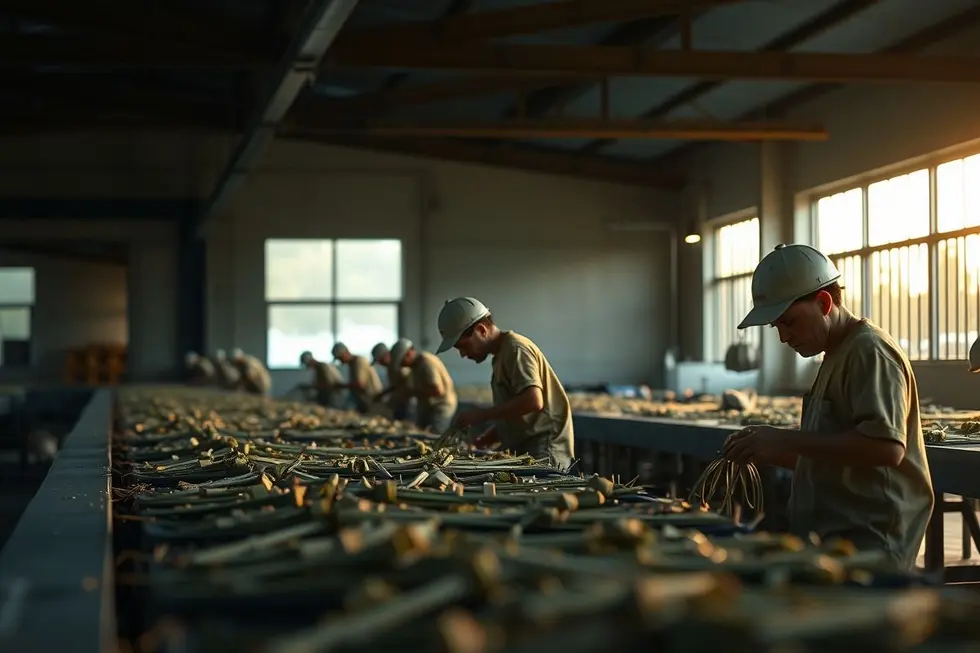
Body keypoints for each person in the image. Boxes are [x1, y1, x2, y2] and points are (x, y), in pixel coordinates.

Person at [722, 243, 933, 569]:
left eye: (789, 322)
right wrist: (765, 448)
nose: (784, 337)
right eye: (776, 326)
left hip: (869, 542)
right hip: (836, 539)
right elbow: (828, 455)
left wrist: (784, 439)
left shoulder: (868, 351)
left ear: (823, 302)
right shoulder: (835, 354)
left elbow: (886, 449)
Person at [436, 297, 574, 471]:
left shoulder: (516, 349)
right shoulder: (501, 355)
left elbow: (533, 401)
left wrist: (482, 415)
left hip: (544, 446)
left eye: (462, 346)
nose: (463, 354)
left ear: (481, 330)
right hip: (529, 443)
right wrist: (490, 437)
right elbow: (518, 412)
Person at [390, 338, 457, 434]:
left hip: (441, 405)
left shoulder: (426, 362)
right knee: (421, 433)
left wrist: (411, 392)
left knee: (435, 434)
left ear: (408, 354)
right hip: (428, 406)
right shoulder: (415, 367)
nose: (403, 365)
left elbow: (437, 391)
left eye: (402, 362)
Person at [332, 342, 384, 414]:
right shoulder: (352, 364)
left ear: (346, 352)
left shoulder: (359, 361)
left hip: (373, 399)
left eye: (340, 358)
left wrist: (341, 386)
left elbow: (359, 384)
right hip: (365, 401)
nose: (340, 361)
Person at [371, 342, 413, 421]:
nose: (380, 364)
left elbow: (405, 383)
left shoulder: (399, 365)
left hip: (407, 404)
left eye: (381, 360)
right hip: (400, 404)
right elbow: (395, 385)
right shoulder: (390, 368)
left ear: (387, 355)